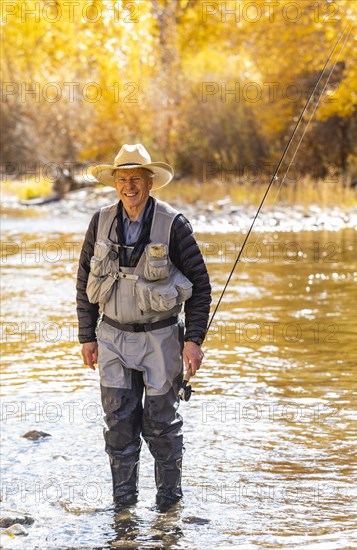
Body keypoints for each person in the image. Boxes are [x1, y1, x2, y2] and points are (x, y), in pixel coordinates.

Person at [76, 143, 211, 512]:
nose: (129, 186)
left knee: (161, 426)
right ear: (114, 183)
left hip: (162, 340)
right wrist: (87, 335)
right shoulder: (99, 221)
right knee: (118, 427)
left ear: (150, 182)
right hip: (112, 339)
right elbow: (83, 280)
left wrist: (194, 340)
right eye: (122, 179)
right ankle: (124, 510)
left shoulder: (174, 224)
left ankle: (169, 510)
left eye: (136, 178)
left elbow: (200, 285)